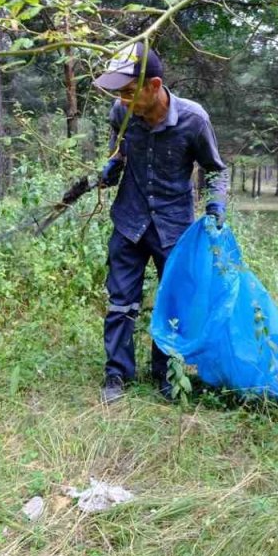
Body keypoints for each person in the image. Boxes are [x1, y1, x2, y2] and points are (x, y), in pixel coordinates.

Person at [92, 42, 228, 404]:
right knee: (121, 302)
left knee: (173, 305)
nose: (122, 100)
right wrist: (112, 167)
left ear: (153, 85)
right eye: (118, 93)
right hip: (129, 221)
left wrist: (215, 208)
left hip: (173, 229)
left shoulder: (193, 120)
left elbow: (216, 171)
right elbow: (119, 151)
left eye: (127, 91)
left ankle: (167, 375)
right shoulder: (120, 113)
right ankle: (117, 375)